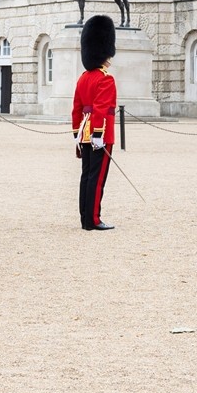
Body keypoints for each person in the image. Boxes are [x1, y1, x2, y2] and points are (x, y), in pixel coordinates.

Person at [73, 14, 116, 231]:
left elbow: (77, 109)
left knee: (86, 176)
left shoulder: (83, 78)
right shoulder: (105, 79)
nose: (110, 58)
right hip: (100, 134)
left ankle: (85, 218)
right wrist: (99, 134)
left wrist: (76, 134)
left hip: (84, 132)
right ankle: (94, 219)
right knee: (97, 179)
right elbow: (101, 109)